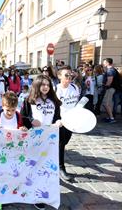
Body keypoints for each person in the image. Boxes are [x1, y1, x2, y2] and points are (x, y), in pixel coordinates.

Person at [20, 74, 61, 210]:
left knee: (46, 167)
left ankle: (42, 195)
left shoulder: (54, 101)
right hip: (33, 139)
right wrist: (31, 121)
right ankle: (29, 190)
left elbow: (58, 117)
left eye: (48, 85)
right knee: (33, 165)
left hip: (49, 139)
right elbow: (22, 116)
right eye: (43, 84)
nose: (45, 87)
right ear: (37, 85)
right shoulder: (29, 100)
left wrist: (59, 122)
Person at [55, 66, 80, 181]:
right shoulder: (56, 89)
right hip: (60, 122)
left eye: (71, 75)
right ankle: (61, 168)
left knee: (64, 143)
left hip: (72, 120)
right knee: (60, 145)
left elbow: (76, 103)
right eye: (66, 75)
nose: (69, 77)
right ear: (59, 76)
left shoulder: (75, 87)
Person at [102, 58, 118, 123]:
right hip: (111, 88)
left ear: (108, 63)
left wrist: (105, 86)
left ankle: (111, 118)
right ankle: (109, 117)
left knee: (105, 103)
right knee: (108, 103)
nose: (103, 63)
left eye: (104, 62)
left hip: (110, 88)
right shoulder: (111, 70)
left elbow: (110, 80)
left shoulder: (110, 70)